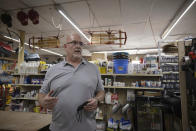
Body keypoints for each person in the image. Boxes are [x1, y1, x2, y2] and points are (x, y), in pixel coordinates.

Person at [38, 33, 105, 131]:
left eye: (80, 44)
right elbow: (41, 94)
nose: (78, 46)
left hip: (87, 128)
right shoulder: (52, 70)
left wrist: (97, 100)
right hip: (59, 128)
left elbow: (101, 92)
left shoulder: (93, 69)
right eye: (74, 43)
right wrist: (43, 101)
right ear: (65, 47)